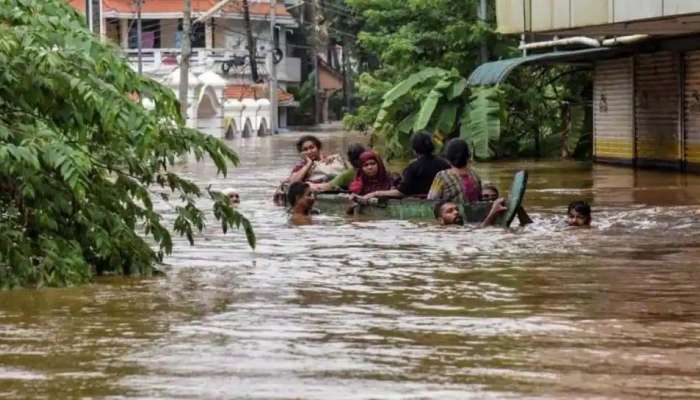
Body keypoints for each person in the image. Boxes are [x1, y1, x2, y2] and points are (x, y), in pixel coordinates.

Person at [361, 131, 449, 200]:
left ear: (414, 149)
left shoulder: (413, 168)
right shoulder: (444, 163)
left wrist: (376, 193)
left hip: (418, 201)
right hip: (441, 201)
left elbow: (401, 192)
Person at [427, 138, 481, 203]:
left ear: (448, 157)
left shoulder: (442, 176)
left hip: (453, 211)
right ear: (468, 156)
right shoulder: (474, 175)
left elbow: (431, 200)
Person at [434, 198, 507, 227]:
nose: (456, 212)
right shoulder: (445, 234)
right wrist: (493, 212)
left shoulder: (466, 227)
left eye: (457, 209)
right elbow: (481, 230)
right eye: (450, 211)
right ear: (441, 220)